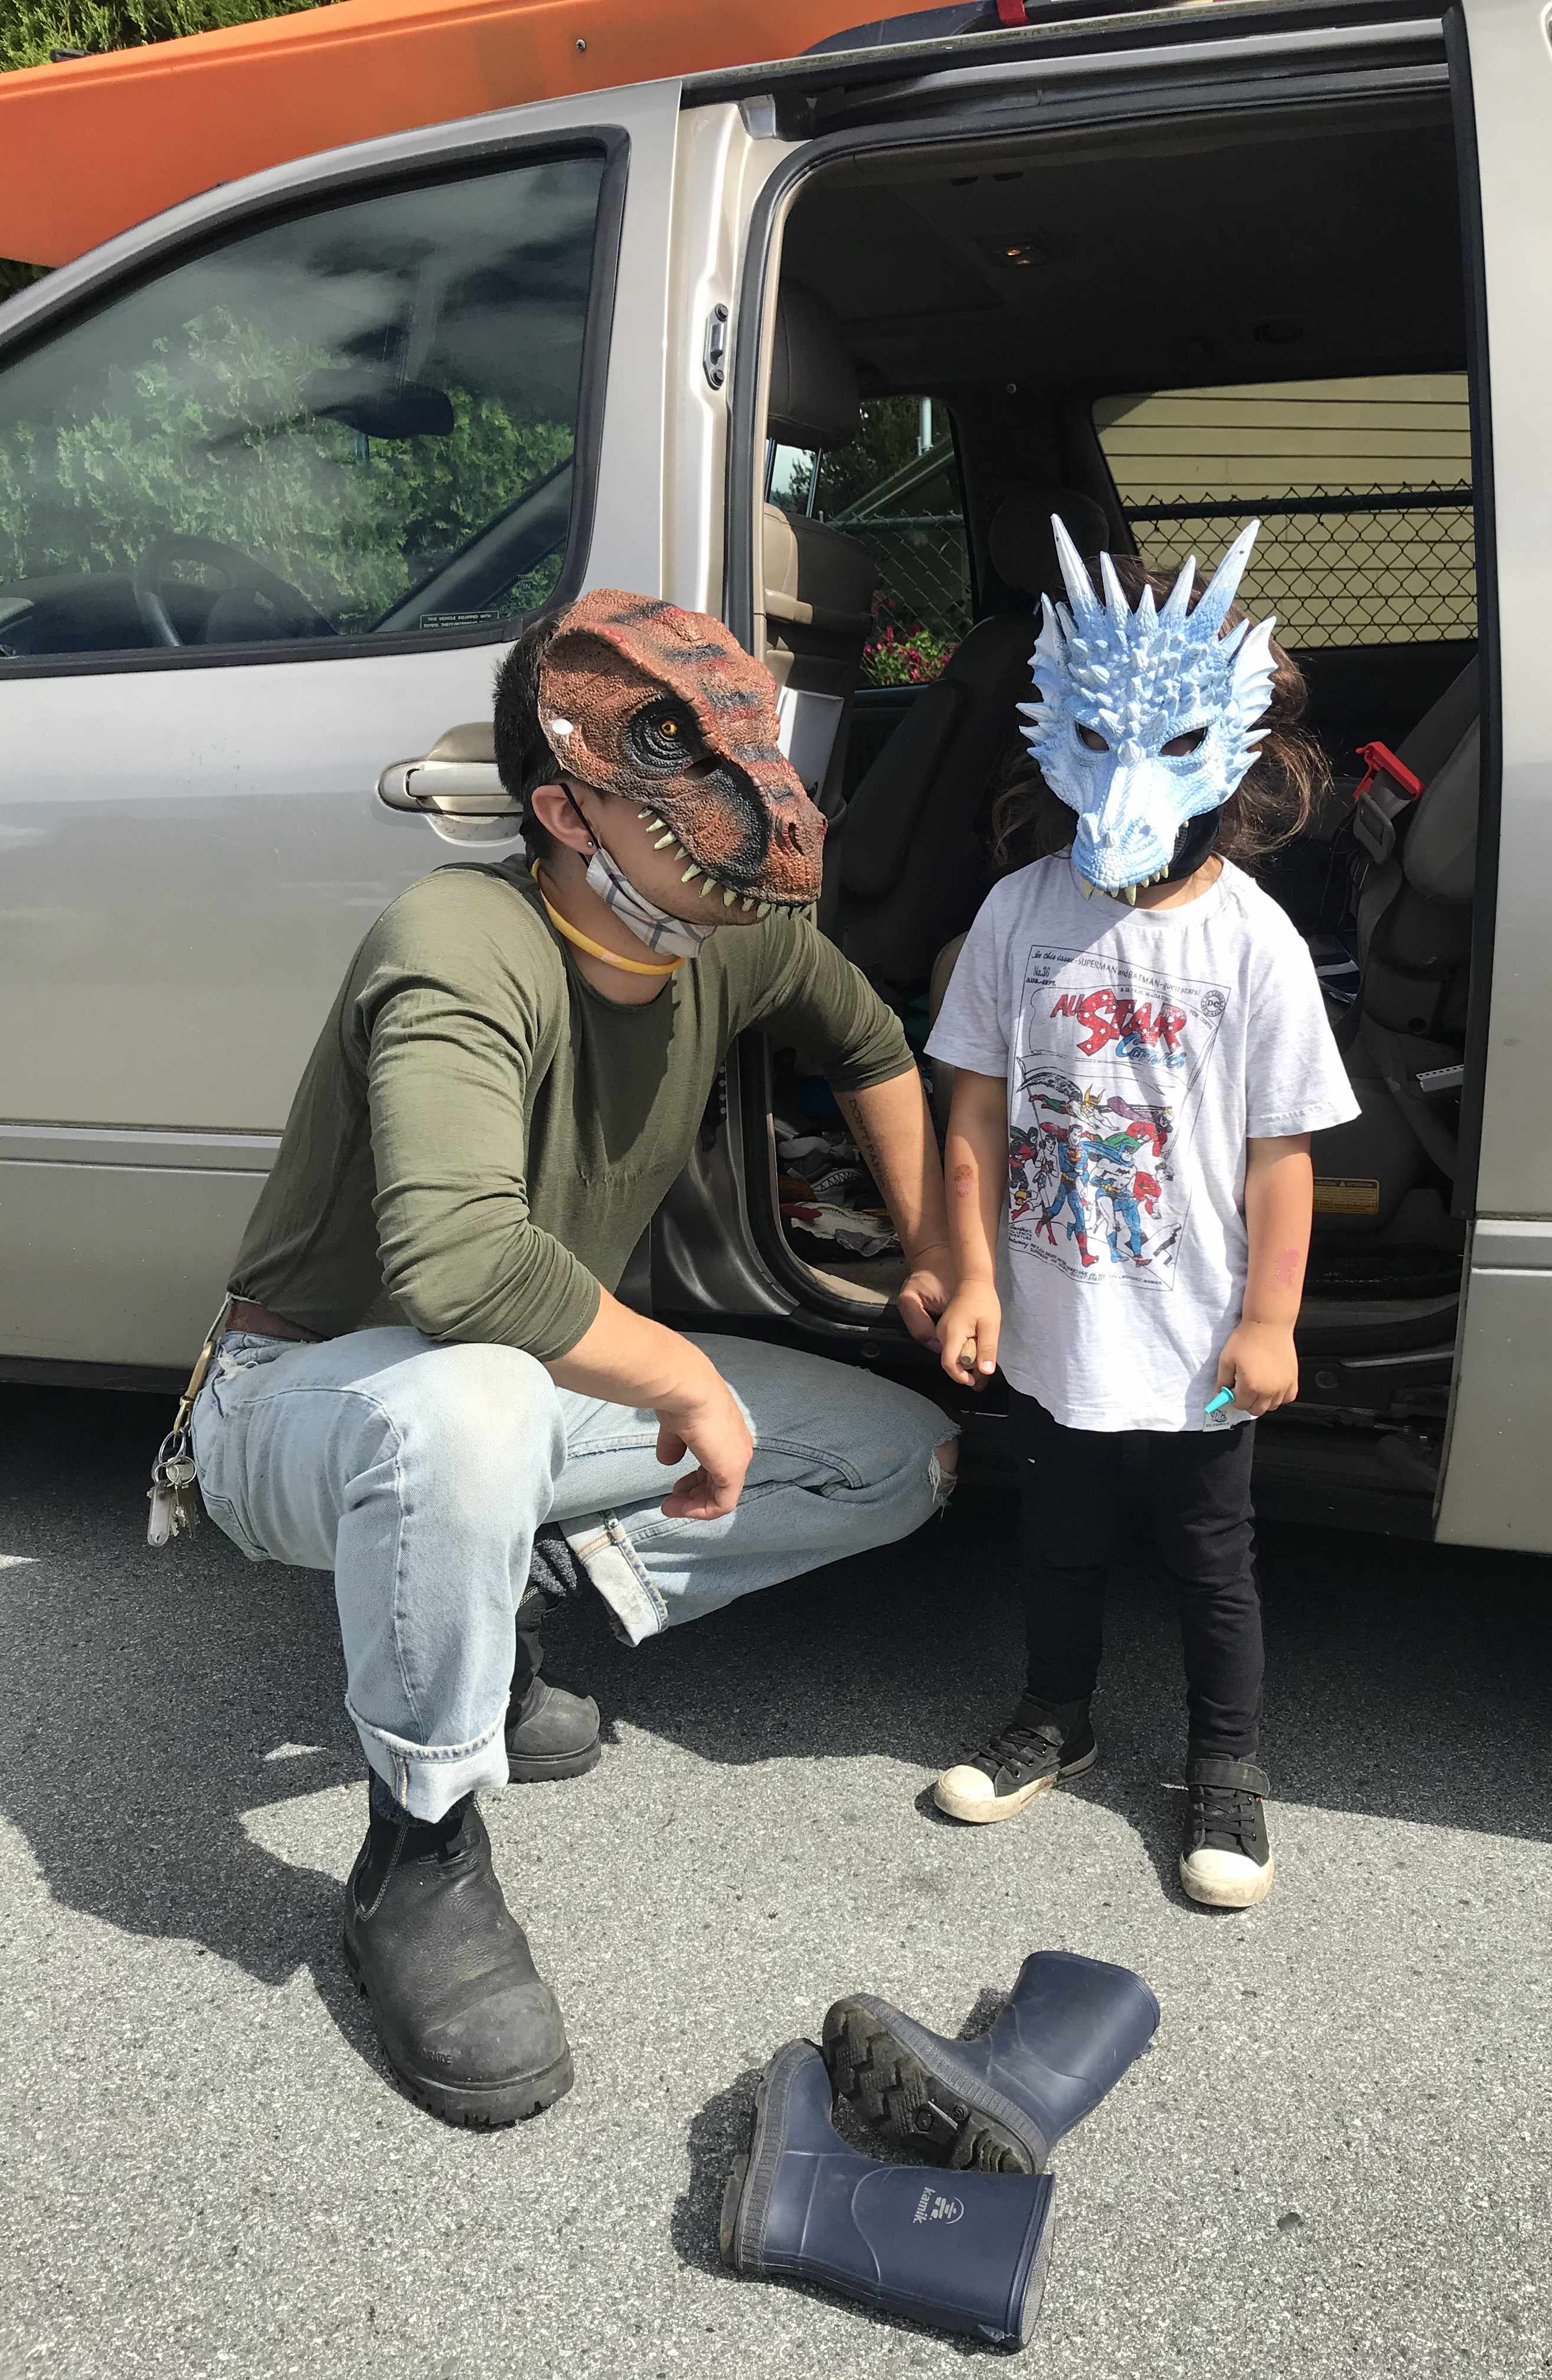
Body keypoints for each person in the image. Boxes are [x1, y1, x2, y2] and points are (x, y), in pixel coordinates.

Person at [186, 588, 959, 2126]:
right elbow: (458, 1265)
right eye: (675, 768)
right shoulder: (459, 939)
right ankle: (419, 1853)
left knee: (898, 1458)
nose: (743, 810)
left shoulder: (726, 940)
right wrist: (675, 1377)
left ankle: (509, 1595)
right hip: (297, 1401)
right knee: (468, 1399)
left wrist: (945, 1248)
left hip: (507, 1389)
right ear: (563, 807)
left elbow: (869, 1041)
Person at [925, 519, 1360, 1908]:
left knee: (1211, 1562)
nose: (1129, 785)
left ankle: (1226, 1764)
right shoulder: (1014, 914)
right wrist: (975, 1275)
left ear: (1232, 751)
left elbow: (1282, 1155)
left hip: (1193, 1342)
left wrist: (1272, 1320)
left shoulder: (1254, 941)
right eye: (1104, 744)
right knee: (1055, 1540)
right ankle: (1059, 1714)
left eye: (1169, 749)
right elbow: (976, 1112)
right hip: (1054, 1322)